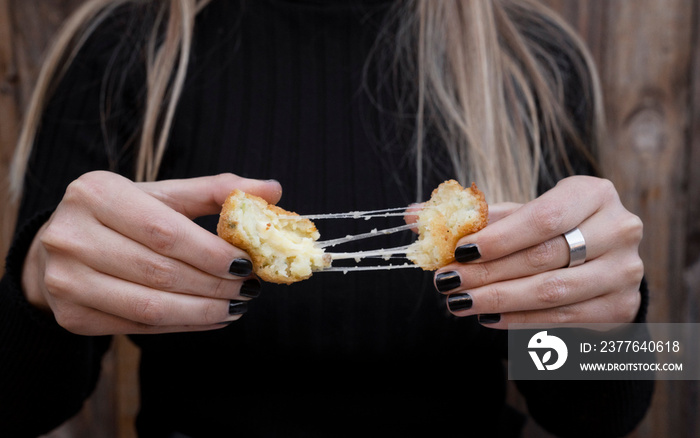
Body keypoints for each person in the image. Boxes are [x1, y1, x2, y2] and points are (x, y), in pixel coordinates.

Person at [1, 0, 653, 436]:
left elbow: (603, 419)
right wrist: (35, 291)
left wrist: (620, 321)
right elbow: (19, 408)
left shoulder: (538, 59)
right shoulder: (119, 48)